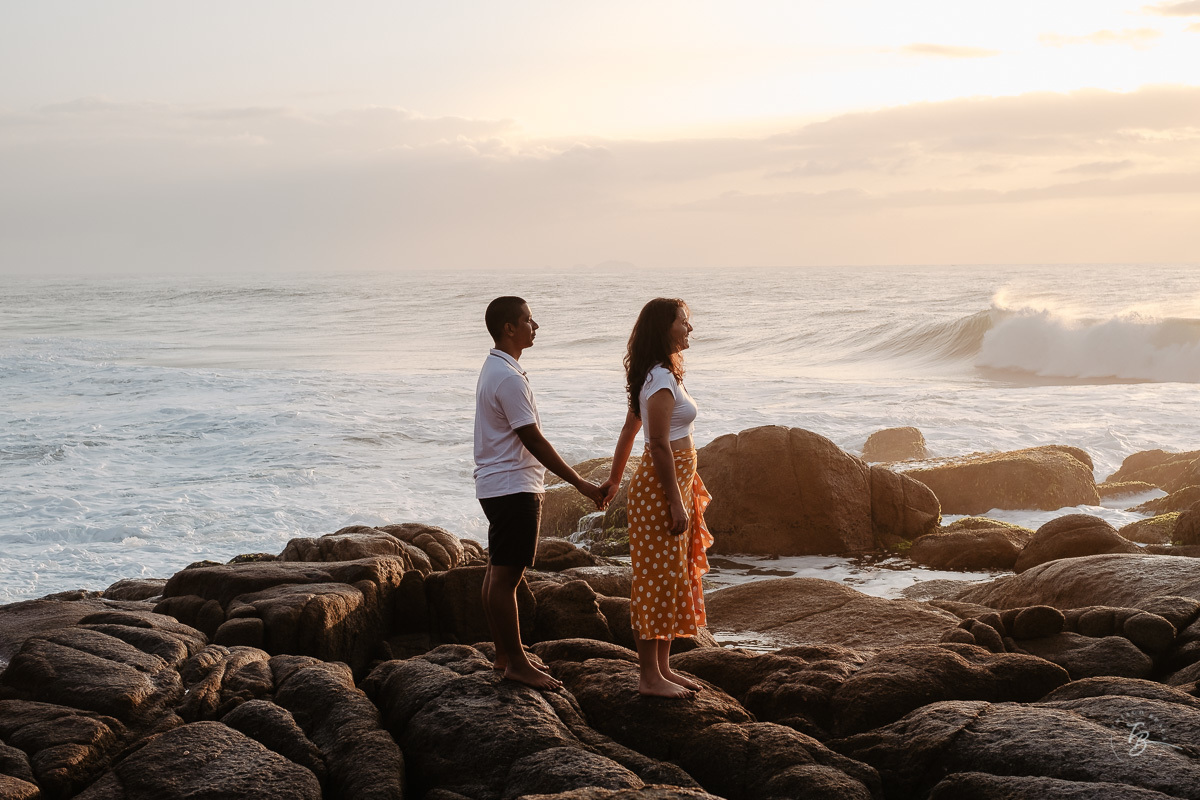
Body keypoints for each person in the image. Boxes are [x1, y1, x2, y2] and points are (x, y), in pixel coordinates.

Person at [475, 295, 607, 690]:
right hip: (513, 485)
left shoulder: (495, 367)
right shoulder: (510, 378)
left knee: (497, 572)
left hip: (496, 484)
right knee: (507, 577)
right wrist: (580, 483)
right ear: (508, 328)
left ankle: (503, 654)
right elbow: (532, 438)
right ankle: (515, 661)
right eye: (529, 321)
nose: (536, 327)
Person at [600, 298, 713, 698]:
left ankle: (662, 667)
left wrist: (614, 480)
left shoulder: (660, 374)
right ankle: (648, 677)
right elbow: (659, 445)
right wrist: (675, 502)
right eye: (684, 322)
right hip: (661, 493)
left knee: (670, 577)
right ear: (664, 327)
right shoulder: (660, 380)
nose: (690, 328)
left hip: (671, 488)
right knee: (655, 579)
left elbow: (629, 431)